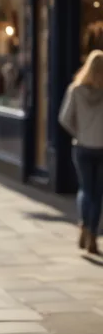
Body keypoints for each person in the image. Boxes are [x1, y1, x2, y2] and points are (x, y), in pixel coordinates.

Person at [59, 49, 103, 255]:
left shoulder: (75, 90)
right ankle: (93, 234)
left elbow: (64, 118)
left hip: (82, 146)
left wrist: (80, 132)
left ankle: (84, 226)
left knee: (85, 189)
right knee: (98, 193)